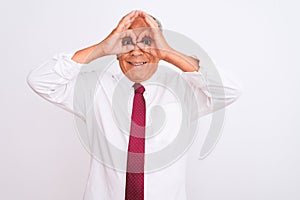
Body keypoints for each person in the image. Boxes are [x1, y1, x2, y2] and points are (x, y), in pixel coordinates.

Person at [27, 10, 241, 200]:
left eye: (147, 41)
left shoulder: (184, 89)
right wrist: (101, 48)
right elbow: (40, 80)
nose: (136, 52)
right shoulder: (94, 88)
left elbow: (230, 90)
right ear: (117, 49)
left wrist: (169, 53)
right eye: (127, 42)